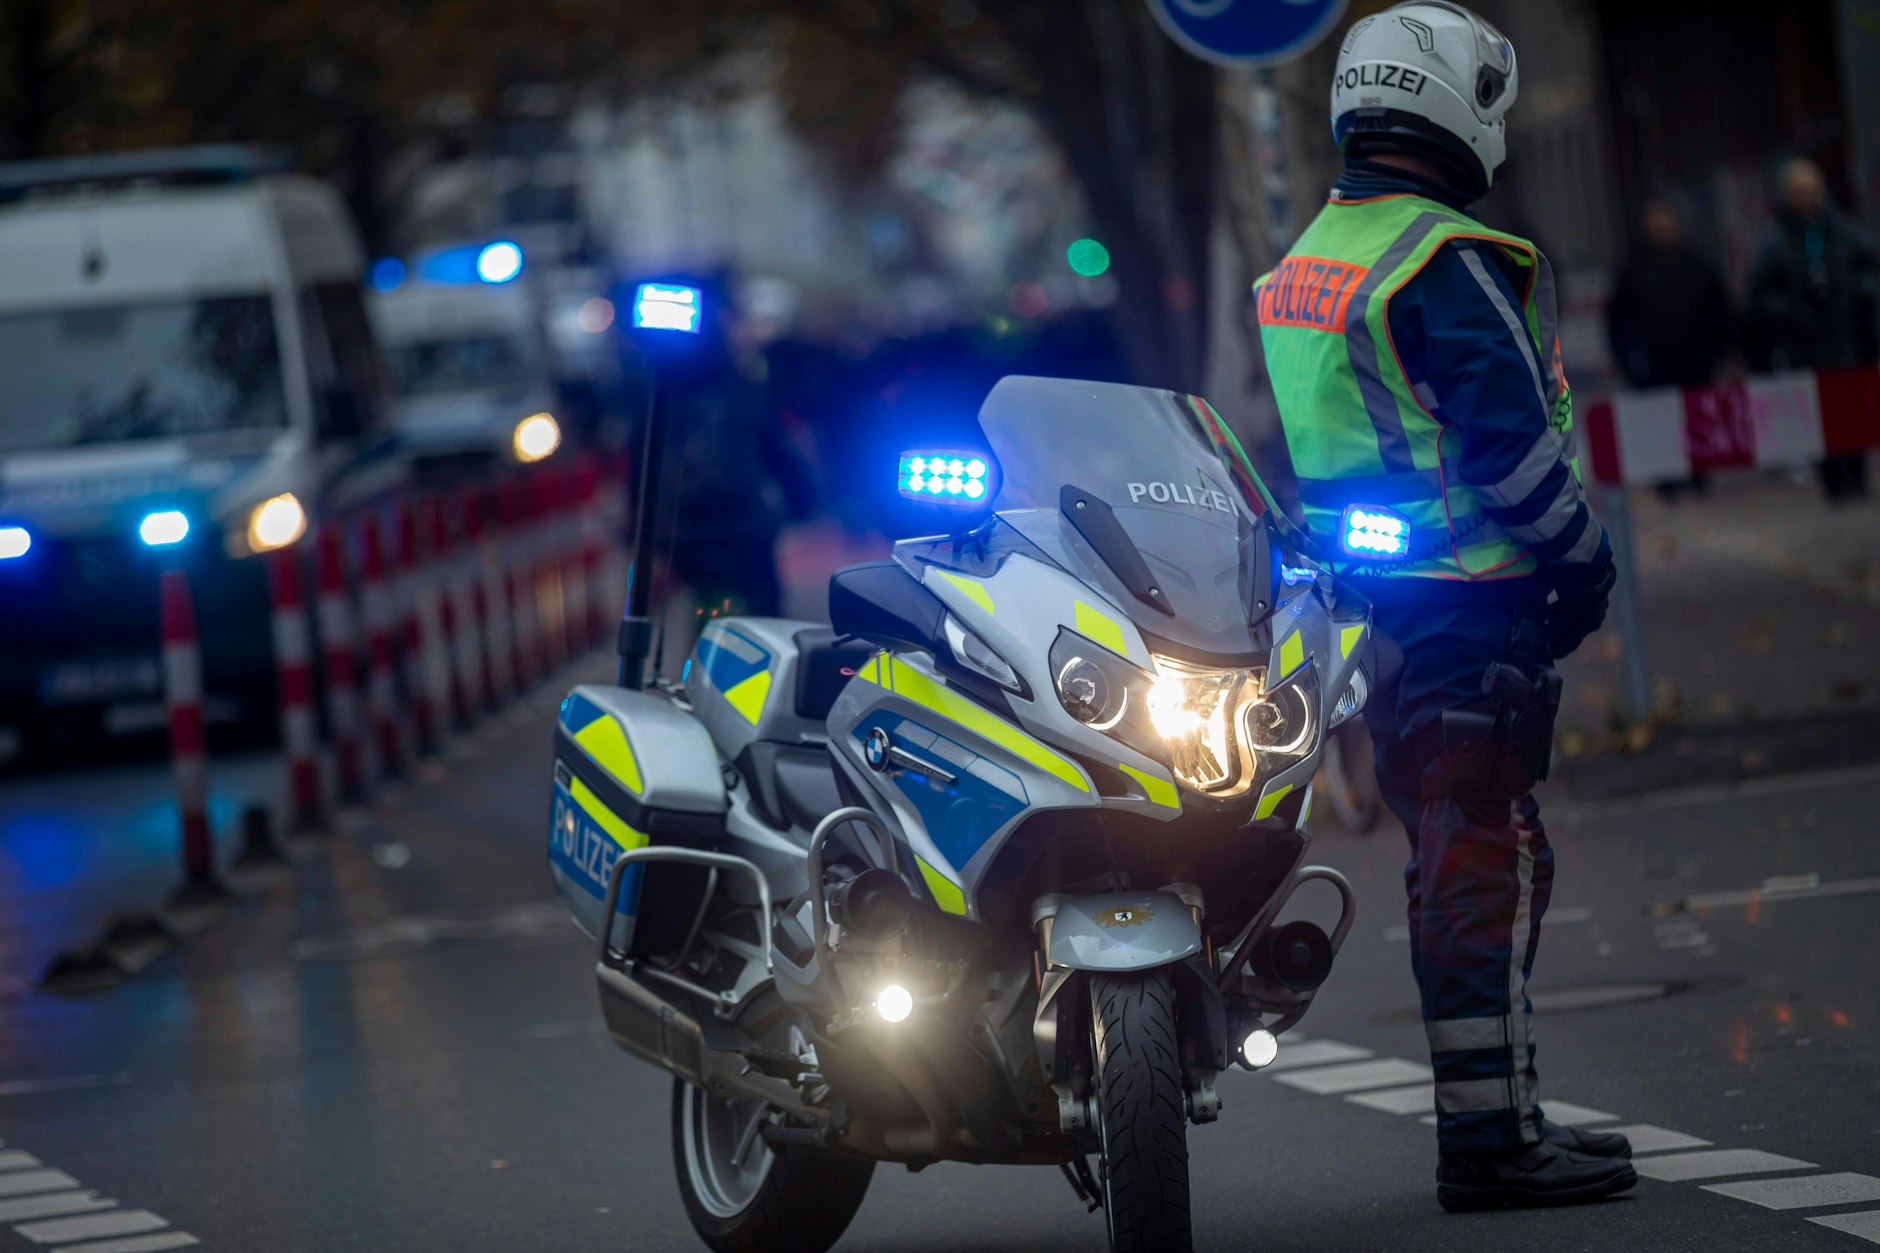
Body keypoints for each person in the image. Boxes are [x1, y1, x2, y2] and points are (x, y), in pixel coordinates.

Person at [1255, 1, 1635, 1211]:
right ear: (1453, 106)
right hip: (1473, 613)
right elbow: (1511, 458)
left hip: (1378, 621)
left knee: (1463, 857)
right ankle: (1487, 1141)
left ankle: (1498, 1118)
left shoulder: (1308, 262)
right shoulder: (1442, 257)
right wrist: (1582, 565)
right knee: (1483, 863)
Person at [1746, 158, 1880, 500]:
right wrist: (1790, 312)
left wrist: (1860, 292)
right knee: (1819, 416)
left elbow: (1871, 267)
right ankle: (1833, 482)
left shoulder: (1843, 230)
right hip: (1806, 345)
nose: (1806, 198)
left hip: (1849, 339)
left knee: (1853, 411)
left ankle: (1856, 478)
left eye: (1811, 190)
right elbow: (1760, 296)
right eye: (1799, 191)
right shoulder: (1776, 242)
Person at [1606, 198, 1732, 498]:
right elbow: (1618, 320)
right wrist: (1626, 359)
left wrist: (1719, 349)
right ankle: (1668, 482)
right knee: (1660, 424)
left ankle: (1699, 477)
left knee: (1697, 420)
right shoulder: (1634, 270)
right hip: (1653, 365)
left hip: (1695, 361)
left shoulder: (1697, 265)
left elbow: (1719, 310)